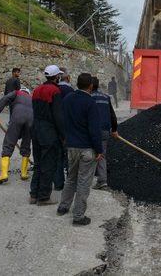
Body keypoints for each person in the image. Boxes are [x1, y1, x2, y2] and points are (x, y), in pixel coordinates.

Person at [57, 73, 105, 226]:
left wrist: (65, 138)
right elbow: (94, 130)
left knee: (71, 177)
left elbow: (62, 121)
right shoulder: (90, 103)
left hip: (71, 147)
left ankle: (63, 207)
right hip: (87, 149)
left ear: (77, 83)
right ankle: (78, 216)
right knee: (84, 182)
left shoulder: (67, 99)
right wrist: (99, 150)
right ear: (91, 86)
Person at [29, 65, 66, 206]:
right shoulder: (55, 91)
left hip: (36, 130)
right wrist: (63, 135)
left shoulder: (37, 90)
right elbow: (58, 116)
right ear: (56, 77)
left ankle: (34, 194)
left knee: (38, 163)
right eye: (59, 76)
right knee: (48, 164)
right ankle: (44, 197)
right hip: (48, 132)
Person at [0, 86, 33, 185]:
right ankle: (24, 173)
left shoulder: (16, 93)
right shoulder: (32, 97)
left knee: (9, 142)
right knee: (26, 143)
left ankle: (4, 173)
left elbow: (5, 99)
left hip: (18, 116)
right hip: (31, 119)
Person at [91, 76, 118, 190]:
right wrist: (114, 129)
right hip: (104, 131)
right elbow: (112, 115)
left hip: (91, 131)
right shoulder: (106, 97)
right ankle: (102, 181)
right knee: (101, 155)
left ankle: (84, 181)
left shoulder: (88, 97)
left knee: (87, 154)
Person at [54, 71, 75, 191]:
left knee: (58, 156)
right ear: (68, 79)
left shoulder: (54, 89)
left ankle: (58, 183)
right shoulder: (71, 92)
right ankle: (70, 182)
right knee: (69, 156)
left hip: (56, 127)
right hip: (68, 128)